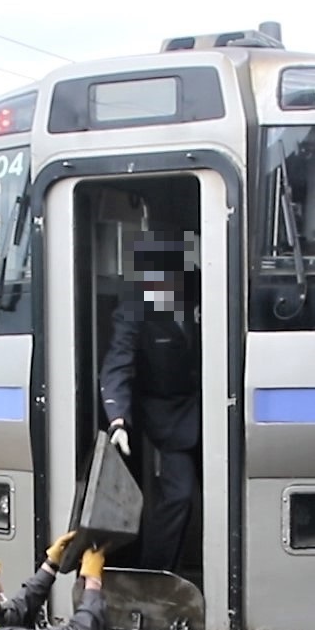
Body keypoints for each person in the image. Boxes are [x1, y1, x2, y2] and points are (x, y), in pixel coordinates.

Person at [100, 237, 200, 572]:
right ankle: (154, 576)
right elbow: (117, 366)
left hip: (219, 413)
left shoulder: (201, 286)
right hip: (170, 423)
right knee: (179, 496)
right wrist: (118, 420)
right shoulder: (134, 311)